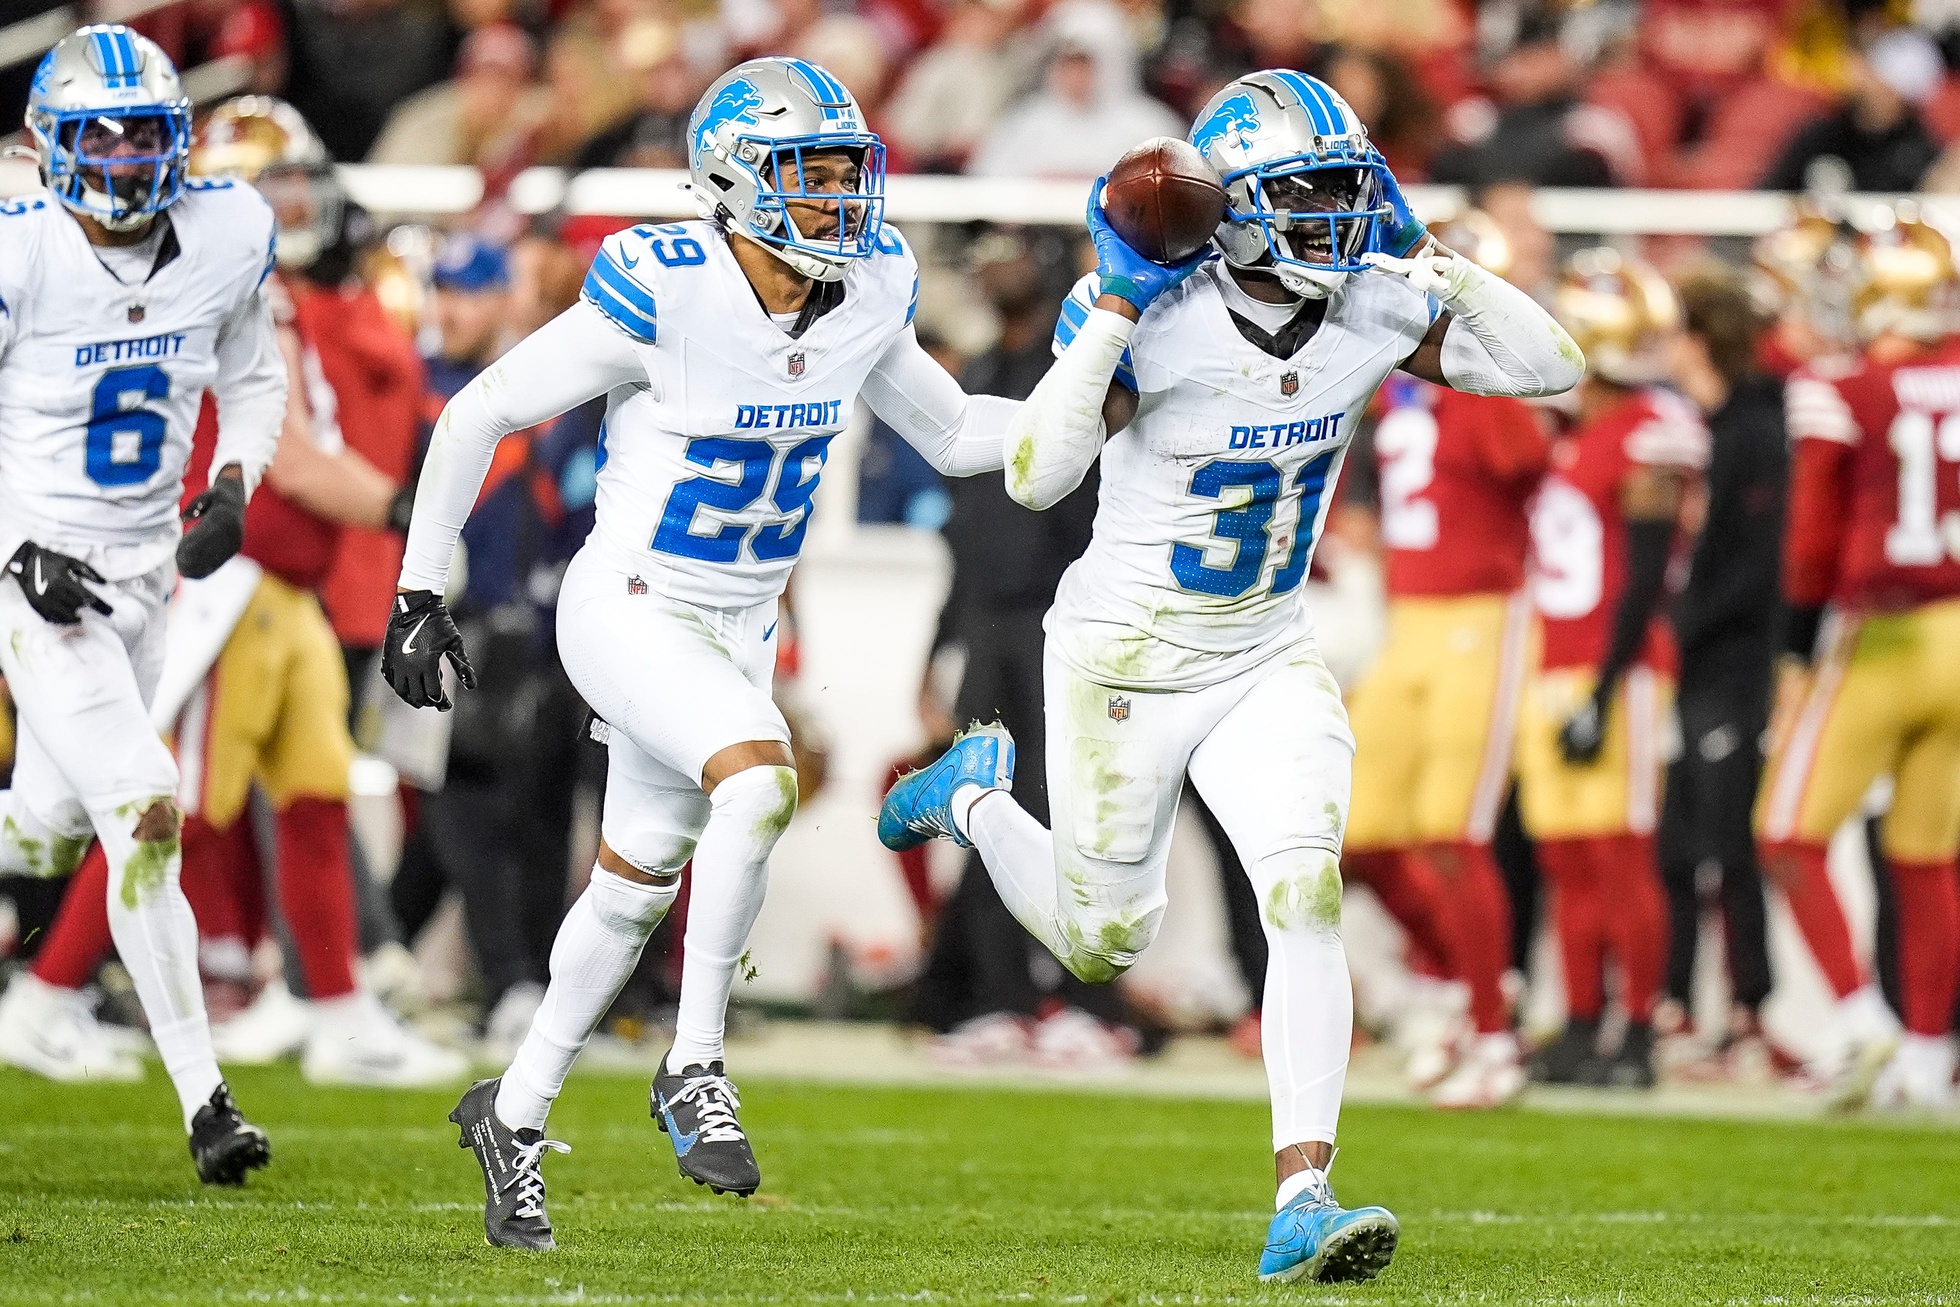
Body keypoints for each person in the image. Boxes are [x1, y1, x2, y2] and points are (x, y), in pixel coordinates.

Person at [881, 70, 1582, 1283]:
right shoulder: (1157, 314)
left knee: (1303, 892)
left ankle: (1303, 1189)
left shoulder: (1370, 300)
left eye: (1349, 187)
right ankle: (976, 797)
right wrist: (1111, 306)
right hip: (1123, 659)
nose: (1339, 216)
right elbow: (1038, 475)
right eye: (1309, 193)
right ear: (1232, 207)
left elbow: (1548, 365)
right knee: (1103, 942)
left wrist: (1435, 256)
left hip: (1264, 650)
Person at [383, 58, 1018, 1251]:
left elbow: (956, 434)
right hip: (628, 604)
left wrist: (1098, 408)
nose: (836, 201)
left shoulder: (871, 286)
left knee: (630, 886)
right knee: (761, 780)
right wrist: (421, 588)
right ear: (729, 183)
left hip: (737, 623)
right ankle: (696, 1061)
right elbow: (479, 412)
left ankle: (511, 1115)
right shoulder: (664, 284)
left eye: (845, 175)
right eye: (806, 176)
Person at [0, 98, 465, 1089]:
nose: (289, 204)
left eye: (297, 183)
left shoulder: (269, 285)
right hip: (226, 573)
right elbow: (290, 457)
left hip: (283, 581)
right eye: (268, 188)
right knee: (180, 804)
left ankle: (338, 1010)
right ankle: (43, 995)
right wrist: (410, 515)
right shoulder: (200, 278)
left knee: (314, 795)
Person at [0, 26, 281, 1183]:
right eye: (96, 137)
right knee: (147, 802)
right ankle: (208, 1102)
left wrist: (234, 482)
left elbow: (254, 376)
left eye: (142, 135)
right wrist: (15, 552)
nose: (120, 161)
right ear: (48, 148)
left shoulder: (228, 230)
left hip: (145, 575)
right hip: (39, 574)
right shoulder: (20, 252)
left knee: (52, 828)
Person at [1340, 208, 1547, 1109]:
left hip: (1481, 618)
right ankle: (1455, 986)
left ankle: (1493, 1032)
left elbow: (1525, 455)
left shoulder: (1483, 375)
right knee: (1356, 831)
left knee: (1454, 837)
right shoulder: (1397, 381)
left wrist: (1477, 331)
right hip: (1409, 621)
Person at [1761, 207, 1960, 1110]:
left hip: (1879, 633)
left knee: (1787, 833)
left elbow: (1810, 542)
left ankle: (1862, 1019)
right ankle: (1926, 1054)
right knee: (1928, 858)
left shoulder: (1839, 385)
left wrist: (1796, 655)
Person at [1517, 250, 1708, 1091]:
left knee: (1623, 854)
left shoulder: (1642, 430)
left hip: (1617, 670)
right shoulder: (1584, 430)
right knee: (1569, 857)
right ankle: (1585, 1017)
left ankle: (1636, 1030)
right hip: (1557, 658)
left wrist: (1602, 685)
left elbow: (1641, 575)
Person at [1654, 268, 1784, 1080]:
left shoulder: (1757, 429)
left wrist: (1686, 622)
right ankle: (1682, 1003)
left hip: (1733, 664)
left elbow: (1756, 565)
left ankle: (1750, 1014)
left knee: (1728, 843)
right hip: (1695, 662)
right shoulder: (1711, 424)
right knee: (1678, 844)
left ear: (1699, 337)